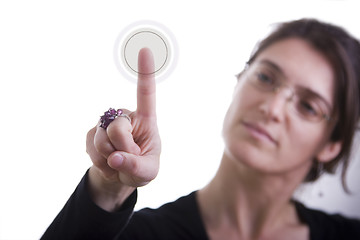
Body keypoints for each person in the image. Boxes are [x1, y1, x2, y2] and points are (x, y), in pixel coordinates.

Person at [41, 18, 360, 240]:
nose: (272, 108)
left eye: (308, 106)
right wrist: (108, 186)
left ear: (331, 144)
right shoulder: (140, 235)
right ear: (238, 81)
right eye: (265, 78)